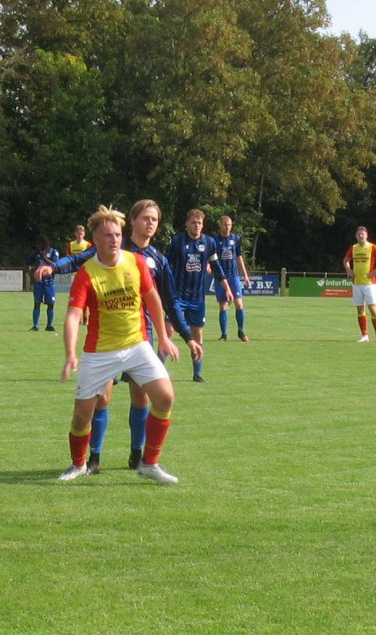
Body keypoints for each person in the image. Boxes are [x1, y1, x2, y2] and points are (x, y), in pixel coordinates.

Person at [59, 206, 189, 485]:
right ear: (95, 238)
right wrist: (71, 354)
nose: (114, 240)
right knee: (83, 415)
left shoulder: (136, 262)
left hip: (137, 345)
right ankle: (78, 464)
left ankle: (149, 463)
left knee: (165, 397)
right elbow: (72, 316)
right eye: (107, 235)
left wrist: (164, 337)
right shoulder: (87, 273)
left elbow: (153, 298)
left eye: (117, 234)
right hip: (100, 351)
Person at [166, 209, 234, 382]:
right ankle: (159, 371)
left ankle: (197, 373)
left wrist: (226, 287)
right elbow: (165, 265)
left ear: (203, 225)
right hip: (176, 297)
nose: (197, 226)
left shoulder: (209, 242)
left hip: (197, 299)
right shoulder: (177, 241)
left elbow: (216, 265)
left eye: (200, 223)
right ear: (187, 224)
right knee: (168, 331)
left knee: (197, 334)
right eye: (194, 222)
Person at [344, 226, 376, 343]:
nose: (361, 236)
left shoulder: (372, 247)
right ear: (356, 236)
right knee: (360, 309)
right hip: (356, 283)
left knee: (372, 308)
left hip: (369, 283)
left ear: (367, 235)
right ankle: (364, 336)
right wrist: (348, 270)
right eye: (359, 234)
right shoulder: (353, 248)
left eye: (362, 234)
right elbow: (345, 260)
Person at [213, 214, 251, 342]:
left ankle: (241, 331)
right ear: (220, 225)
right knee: (223, 306)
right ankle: (223, 335)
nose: (227, 227)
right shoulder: (215, 240)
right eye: (225, 224)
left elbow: (239, 257)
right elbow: (211, 257)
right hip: (220, 276)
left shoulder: (236, 239)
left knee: (239, 303)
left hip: (234, 275)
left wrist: (245, 274)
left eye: (229, 225)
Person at [27, 235, 61, 331]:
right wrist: (31, 274)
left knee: (51, 304)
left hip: (49, 282)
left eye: (39, 244)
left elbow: (56, 265)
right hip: (38, 283)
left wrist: (44, 258)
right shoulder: (35, 253)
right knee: (37, 303)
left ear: (44, 243)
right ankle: (35, 326)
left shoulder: (54, 252)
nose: (38, 246)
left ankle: (49, 325)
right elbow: (28, 264)